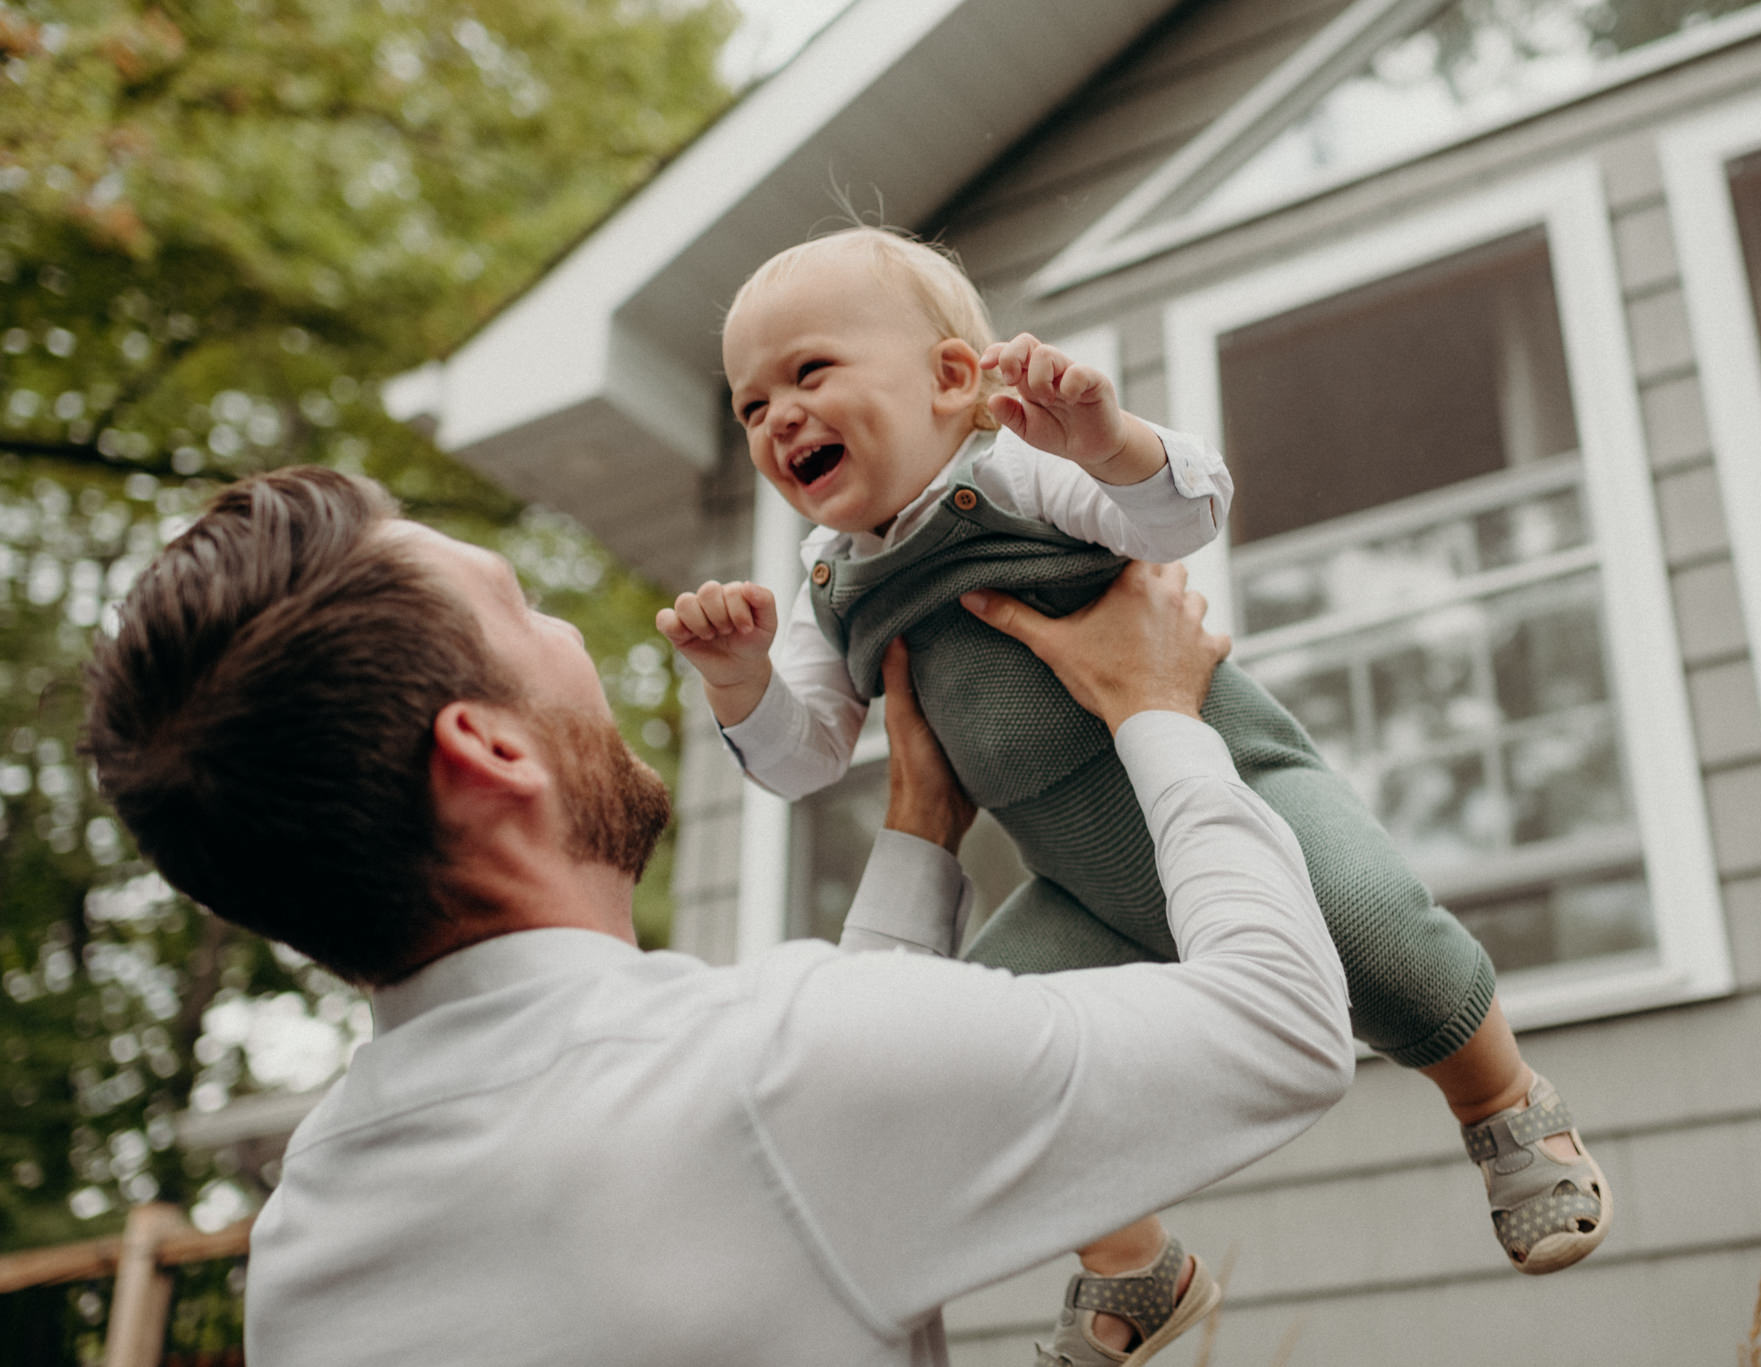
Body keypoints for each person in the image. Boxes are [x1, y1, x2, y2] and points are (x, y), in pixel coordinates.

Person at [82, 465, 1357, 1366]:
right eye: (523, 610)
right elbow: (1282, 1023)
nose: (571, 631)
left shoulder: (307, 1241)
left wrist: (916, 832)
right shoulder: (771, 1070)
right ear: (486, 750)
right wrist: (1156, 710)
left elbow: (784, 1182)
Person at [658, 226, 1613, 1362]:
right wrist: (737, 681)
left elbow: (1179, 521)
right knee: (968, 1070)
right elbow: (802, 759)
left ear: (953, 378)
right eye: (749, 404)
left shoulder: (1011, 465)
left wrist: (1108, 442)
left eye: (808, 373)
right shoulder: (826, 583)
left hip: (1233, 791)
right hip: (1076, 882)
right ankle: (1135, 1262)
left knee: (1373, 930)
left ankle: (1500, 1104)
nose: (775, 418)